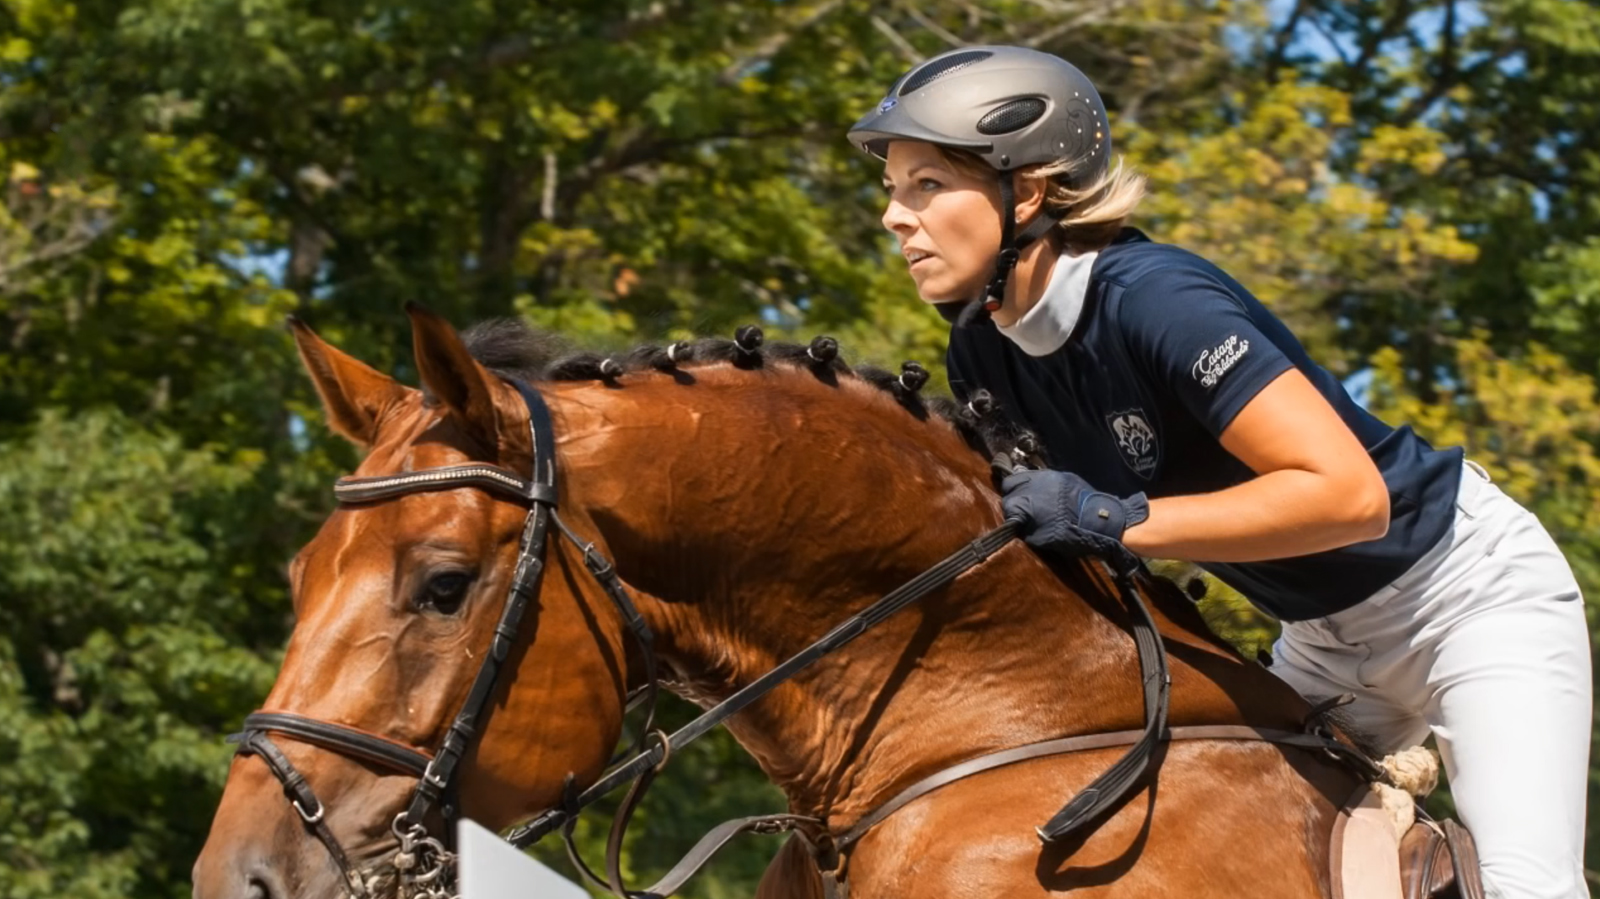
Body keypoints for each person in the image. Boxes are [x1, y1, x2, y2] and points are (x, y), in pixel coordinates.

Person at [848, 45, 1591, 899]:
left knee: (1531, 887)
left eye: (927, 185)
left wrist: (1114, 521)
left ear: (1030, 189)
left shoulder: (1156, 299)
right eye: (893, 191)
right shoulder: (981, 352)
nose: (896, 218)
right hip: (1320, 645)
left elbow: (1350, 498)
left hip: (1465, 599)